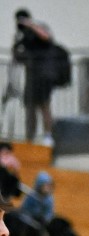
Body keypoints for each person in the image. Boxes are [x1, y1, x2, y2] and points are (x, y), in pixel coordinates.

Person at [11, 9, 58, 145]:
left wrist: (30, 25)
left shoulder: (38, 29)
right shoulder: (22, 36)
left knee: (44, 106)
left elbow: (46, 37)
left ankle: (48, 136)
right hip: (31, 76)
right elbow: (17, 55)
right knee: (30, 108)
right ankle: (29, 137)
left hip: (43, 75)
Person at [20, 171, 78, 236]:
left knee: (59, 222)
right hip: (31, 222)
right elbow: (24, 212)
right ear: (39, 185)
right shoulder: (31, 196)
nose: (47, 188)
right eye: (45, 185)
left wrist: (47, 220)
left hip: (45, 221)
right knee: (38, 225)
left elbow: (49, 214)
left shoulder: (49, 199)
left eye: (49, 185)